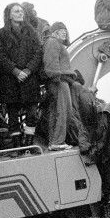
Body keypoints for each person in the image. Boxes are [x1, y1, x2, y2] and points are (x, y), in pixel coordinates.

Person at [0, 3, 42, 147]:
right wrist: (15, 71)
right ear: (9, 14)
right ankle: (16, 145)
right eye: (16, 11)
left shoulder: (32, 32)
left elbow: (38, 53)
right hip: (10, 80)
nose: (20, 13)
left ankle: (29, 143)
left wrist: (27, 70)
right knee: (13, 115)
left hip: (29, 78)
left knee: (32, 113)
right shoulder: (1, 34)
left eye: (21, 11)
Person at [42, 21, 81, 151]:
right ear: (54, 32)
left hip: (59, 81)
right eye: (60, 31)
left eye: (65, 31)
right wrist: (63, 77)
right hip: (59, 82)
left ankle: (54, 141)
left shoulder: (53, 43)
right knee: (63, 111)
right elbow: (50, 67)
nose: (64, 33)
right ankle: (58, 141)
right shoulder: (53, 42)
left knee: (57, 111)